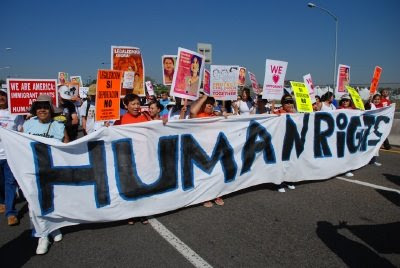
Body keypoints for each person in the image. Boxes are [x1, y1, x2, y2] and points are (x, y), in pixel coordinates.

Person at [22, 94, 68, 255]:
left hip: (51, 169)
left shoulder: (57, 125)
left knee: (54, 200)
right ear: (35, 110)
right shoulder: (27, 124)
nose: (42, 110)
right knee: (34, 202)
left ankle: (54, 227)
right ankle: (43, 236)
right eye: (39, 107)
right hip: (32, 169)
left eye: (45, 107)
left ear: (50, 109)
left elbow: (65, 145)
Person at [190, 94, 224, 207]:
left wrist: (224, 114)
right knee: (203, 174)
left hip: (214, 149)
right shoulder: (199, 115)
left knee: (216, 173)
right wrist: (204, 98)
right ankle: (205, 196)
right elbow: (193, 112)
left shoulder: (215, 116)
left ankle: (216, 194)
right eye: (208, 104)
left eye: (212, 105)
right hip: (200, 150)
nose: (210, 107)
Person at [0, 88, 24, 226]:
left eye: (3, 95)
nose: (1, 97)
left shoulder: (16, 113)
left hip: (10, 154)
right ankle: (2, 201)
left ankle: (11, 212)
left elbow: (21, 131)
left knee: (10, 182)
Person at [272, 94, 296, 192]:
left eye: (291, 102)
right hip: (280, 143)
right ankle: (279, 183)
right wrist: (273, 113)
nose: (289, 104)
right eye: (287, 102)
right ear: (282, 104)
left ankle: (289, 180)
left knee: (291, 162)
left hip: (291, 142)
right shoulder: (278, 113)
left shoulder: (296, 114)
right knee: (280, 163)